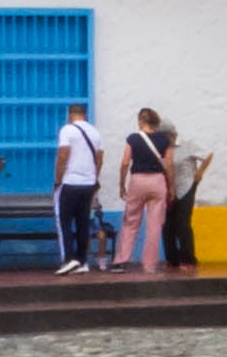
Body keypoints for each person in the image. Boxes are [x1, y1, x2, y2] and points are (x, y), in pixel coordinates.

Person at [52, 102, 107, 273]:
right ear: (85, 115)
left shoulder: (67, 130)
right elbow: (100, 158)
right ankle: (82, 261)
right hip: (88, 184)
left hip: (70, 182)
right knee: (83, 223)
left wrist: (58, 179)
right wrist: (93, 177)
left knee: (65, 222)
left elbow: (63, 155)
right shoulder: (95, 132)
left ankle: (69, 259)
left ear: (70, 115)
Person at [116, 107, 171, 274]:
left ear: (141, 121)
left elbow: (125, 162)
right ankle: (149, 265)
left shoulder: (133, 138)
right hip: (158, 181)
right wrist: (171, 187)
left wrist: (121, 183)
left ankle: (122, 260)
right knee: (154, 225)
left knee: (131, 220)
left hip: (138, 180)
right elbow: (169, 166)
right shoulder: (164, 140)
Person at [164, 127, 211, 269]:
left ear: (173, 135)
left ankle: (188, 260)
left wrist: (199, 174)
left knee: (183, 224)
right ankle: (172, 260)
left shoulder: (187, 145)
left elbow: (208, 155)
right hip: (168, 190)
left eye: (166, 135)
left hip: (186, 187)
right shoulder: (161, 149)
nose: (165, 139)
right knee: (167, 225)